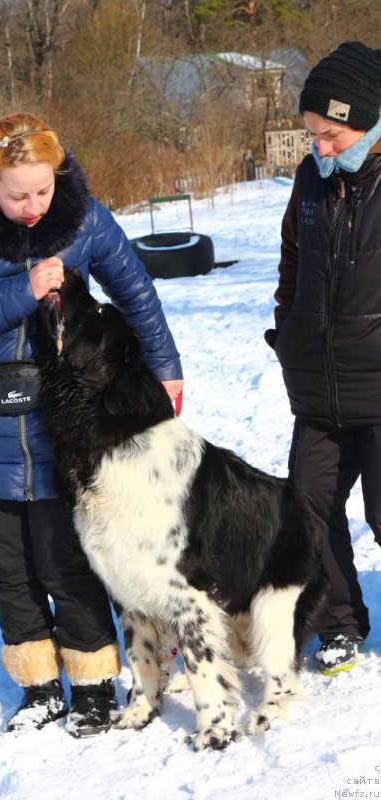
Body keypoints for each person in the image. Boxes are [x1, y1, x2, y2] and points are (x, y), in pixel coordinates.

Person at [0, 112, 184, 736]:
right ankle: (39, 686)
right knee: (9, 567)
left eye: (42, 190)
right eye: (18, 195)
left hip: (64, 421)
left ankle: (93, 683)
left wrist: (166, 368)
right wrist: (22, 290)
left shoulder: (84, 217)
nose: (34, 205)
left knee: (67, 558)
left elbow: (136, 292)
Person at [265, 41, 381, 677]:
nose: (321, 149)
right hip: (318, 387)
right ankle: (338, 623)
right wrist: (290, 327)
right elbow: (292, 260)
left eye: (332, 135)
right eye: (313, 135)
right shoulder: (311, 179)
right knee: (308, 508)